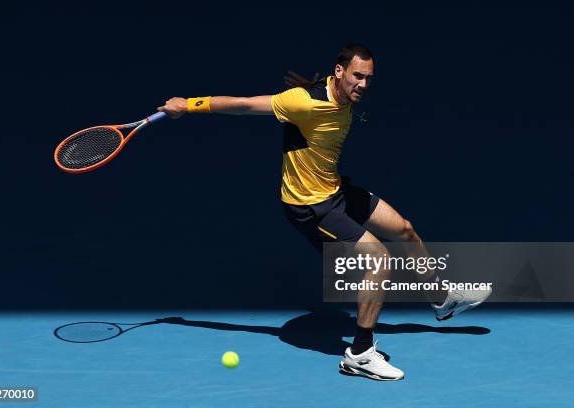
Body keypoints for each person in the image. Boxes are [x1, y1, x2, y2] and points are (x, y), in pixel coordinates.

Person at [158, 43, 491, 381]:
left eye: (368, 78)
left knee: (404, 229)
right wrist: (188, 105)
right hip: (310, 206)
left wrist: (311, 85)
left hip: (335, 190)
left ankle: (441, 300)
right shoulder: (302, 102)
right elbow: (245, 105)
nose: (362, 84)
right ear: (340, 72)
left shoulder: (333, 94)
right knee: (380, 261)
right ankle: (359, 354)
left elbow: (324, 97)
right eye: (357, 76)